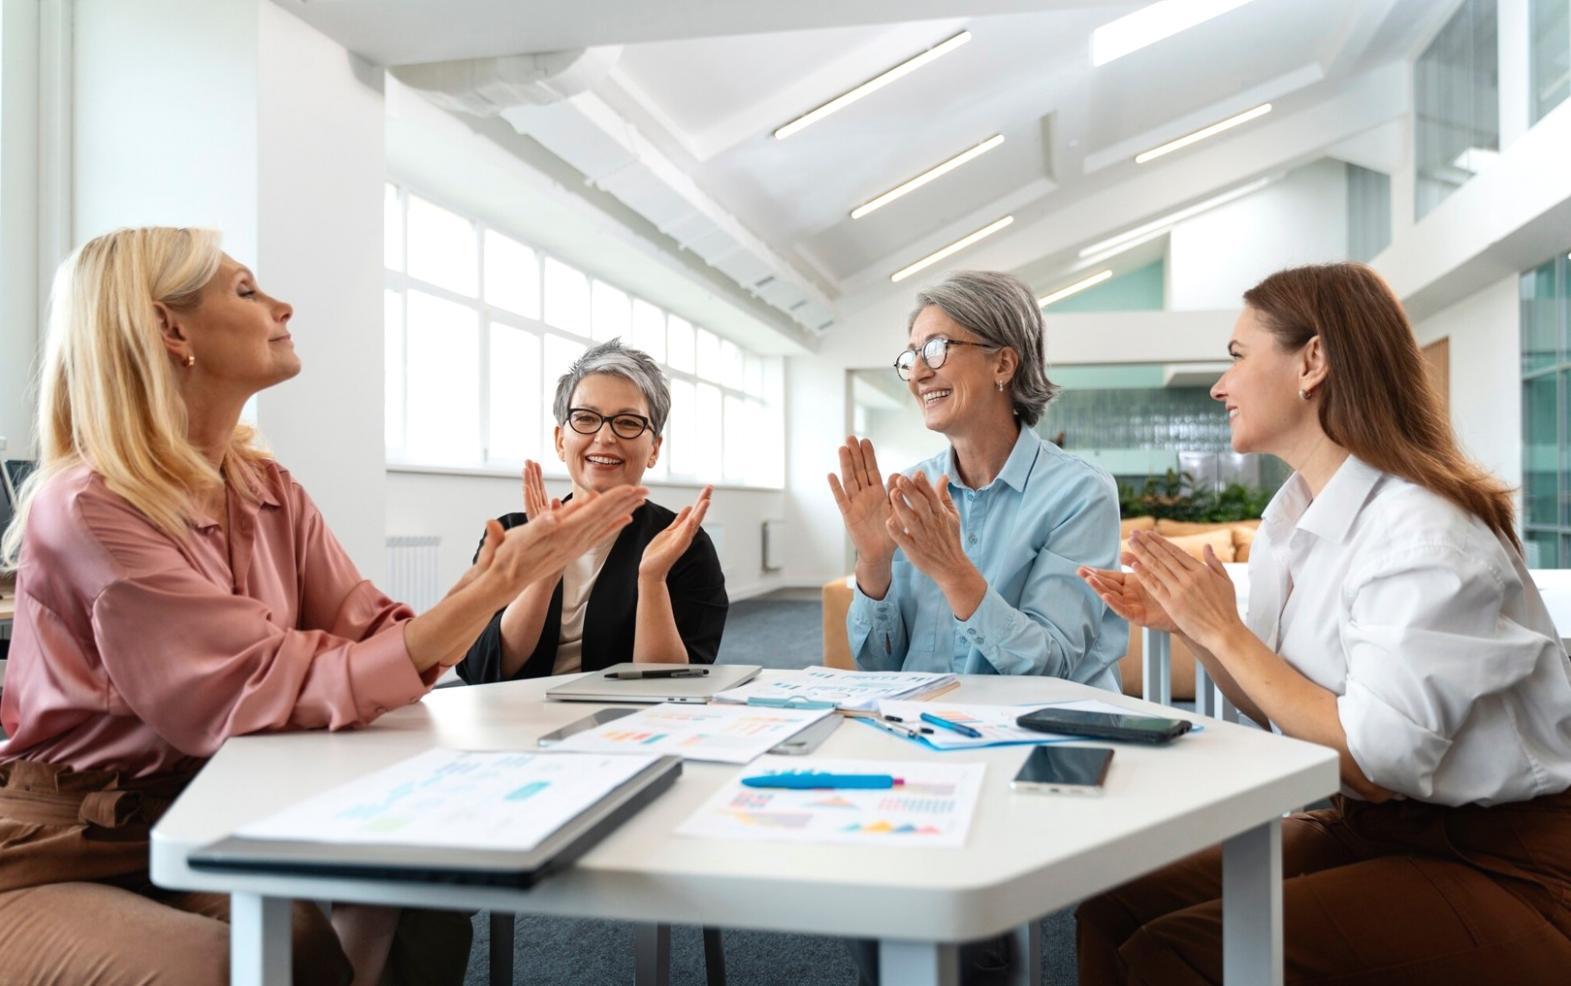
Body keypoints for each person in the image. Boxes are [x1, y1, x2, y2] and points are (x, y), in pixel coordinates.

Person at [0, 227, 646, 986]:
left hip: (205, 808)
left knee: (374, 915)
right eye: (245, 291)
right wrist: (496, 587)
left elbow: (373, 633)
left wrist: (494, 585)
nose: (281, 305)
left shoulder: (267, 488)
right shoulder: (84, 507)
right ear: (171, 330)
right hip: (56, 849)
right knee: (233, 967)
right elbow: (250, 687)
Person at [1076, 262, 1571, 985]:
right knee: (1112, 893)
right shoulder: (1292, 517)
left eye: (1236, 357)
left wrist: (1226, 632)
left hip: (1507, 863)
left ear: (1312, 361)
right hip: (1375, 827)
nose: (1220, 386)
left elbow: (1372, 763)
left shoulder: (1424, 534)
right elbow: (1285, 703)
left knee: (1180, 952)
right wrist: (1190, 626)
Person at [829, 270, 1126, 690]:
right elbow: (878, 664)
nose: (917, 375)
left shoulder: (1080, 493)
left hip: (1042, 734)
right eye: (912, 357)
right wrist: (874, 563)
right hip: (927, 731)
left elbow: (1051, 665)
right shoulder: (911, 490)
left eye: (934, 350)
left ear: (1003, 363)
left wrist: (954, 573)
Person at [456, 339, 727, 683]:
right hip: (516, 721)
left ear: (654, 448)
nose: (605, 437)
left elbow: (671, 683)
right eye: (585, 418)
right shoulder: (509, 534)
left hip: (627, 726)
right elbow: (481, 670)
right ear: (560, 440)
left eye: (628, 422)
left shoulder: (683, 545)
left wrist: (652, 579)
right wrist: (545, 570)